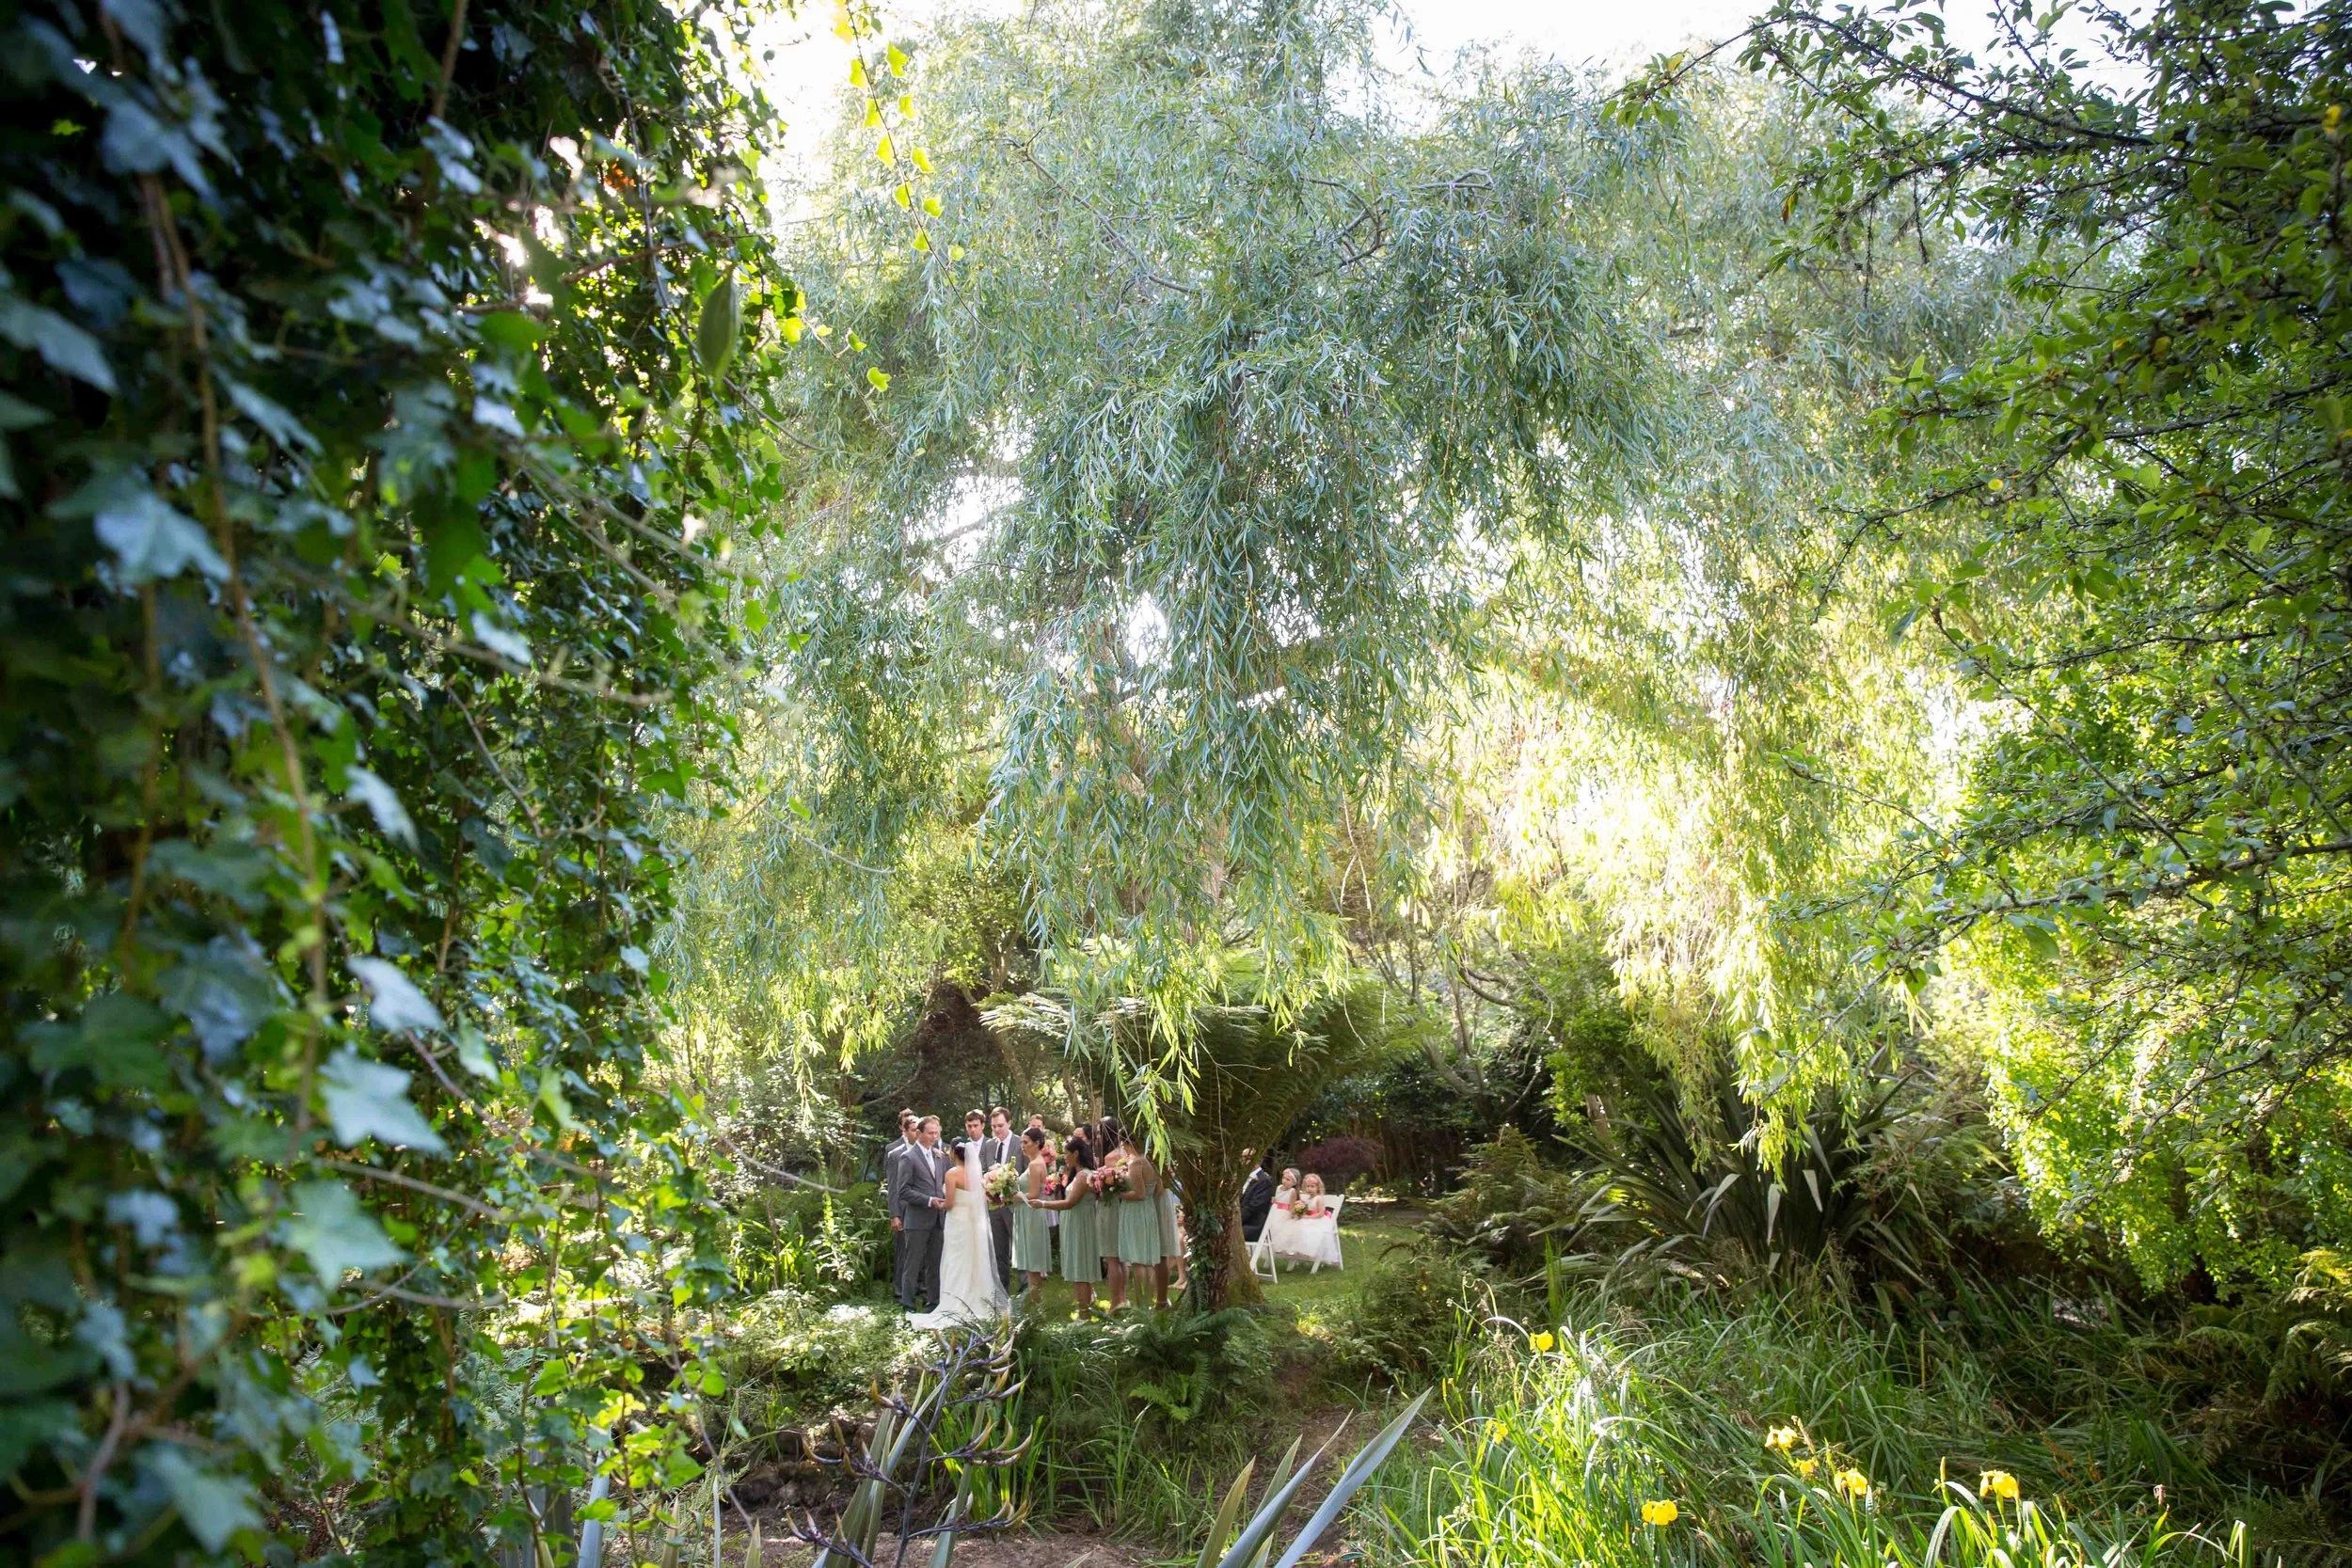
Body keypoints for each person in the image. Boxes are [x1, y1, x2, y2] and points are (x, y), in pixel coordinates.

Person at [907, 1135, 1010, 1329]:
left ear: (954, 1152)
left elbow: (950, 1203)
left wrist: (938, 1203)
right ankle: (977, 1298)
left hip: (957, 1223)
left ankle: (955, 1300)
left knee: (955, 1260)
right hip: (972, 1223)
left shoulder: (952, 1174)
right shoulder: (977, 1174)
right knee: (973, 1260)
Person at [1031, 1132, 1103, 1314]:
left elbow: (1070, 1203)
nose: (1064, 1156)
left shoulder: (1083, 1176)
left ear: (1076, 1153)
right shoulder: (1075, 1174)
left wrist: (1043, 1204)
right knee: (1076, 1269)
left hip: (1081, 1223)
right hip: (1073, 1222)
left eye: (1066, 1152)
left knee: (1081, 1269)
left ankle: (1084, 1313)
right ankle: (1083, 1309)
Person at [895, 1117, 950, 1310]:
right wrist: (928, 1201)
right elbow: (903, 1190)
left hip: (938, 1220)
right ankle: (907, 1304)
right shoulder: (908, 1157)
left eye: (937, 1133)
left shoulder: (940, 1156)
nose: (934, 1137)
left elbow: (943, 1184)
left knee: (934, 1264)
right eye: (930, 1133)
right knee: (913, 1264)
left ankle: (933, 1303)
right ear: (919, 1133)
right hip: (917, 1220)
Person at [1113, 1129, 1168, 1310]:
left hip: (1136, 1212)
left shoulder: (1136, 1163)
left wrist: (1118, 1193)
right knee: (1148, 1260)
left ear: (1128, 1142)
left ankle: (1140, 1306)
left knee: (1138, 1260)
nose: (1122, 1146)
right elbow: (1158, 1190)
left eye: (1123, 1142)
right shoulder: (1150, 1161)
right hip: (1149, 1211)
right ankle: (1147, 1303)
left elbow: (1139, 1193)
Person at [1009, 1125, 1056, 1306]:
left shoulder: (1036, 1165)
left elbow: (1034, 1193)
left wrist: (1012, 1197)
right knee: (1030, 1264)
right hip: (1027, 1214)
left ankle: (1037, 1305)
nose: (1022, 1145)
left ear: (1037, 1143)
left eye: (1026, 1142)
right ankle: (1035, 1303)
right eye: (1021, 1142)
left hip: (1032, 1215)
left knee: (1033, 1263)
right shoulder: (1033, 1163)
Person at [978, 1107, 1020, 1289]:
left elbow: (1026, 1173)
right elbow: (982, 1170)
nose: (997, 1130)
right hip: (994, 1206)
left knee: (1019, 1248)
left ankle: (1025, 1288)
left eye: (1000, 1125)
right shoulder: (988, 1145)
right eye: (994, 1126)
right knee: (998, 1250)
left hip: (1014, 1204)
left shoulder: (1020, 1143)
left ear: (1009, 1123)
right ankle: (1002, 1289)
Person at [1270, 1172, 1343, 1272]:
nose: (1309, 1189)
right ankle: (1293, 1251)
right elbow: (1301, 1208)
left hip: (1317, 1219)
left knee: (1304, 1229)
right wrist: (1300, 1209)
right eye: (1308, 1186)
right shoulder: (1305, 1198)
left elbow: (1321, 1213)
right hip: (1306, 1217)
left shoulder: (1319, 1199)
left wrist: (1308, 1217)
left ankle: (1306, 1252)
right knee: (1291, 1226)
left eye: (1312, 1186)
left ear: (1318, 1187)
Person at [883, 1110, 921, 1303]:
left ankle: (918, 1289)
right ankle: (899, 1291)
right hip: (903, 1210)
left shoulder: (925, 1151)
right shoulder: (895, 1154)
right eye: (914, 1130)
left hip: (920, 1210)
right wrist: (894, 1214)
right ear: (904, 1131)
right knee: (902, 1252)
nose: (917, 1133)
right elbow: (892, 1187)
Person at [1239, 1154, 1276, 1243]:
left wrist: (1237, 1220)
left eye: (1245, 1158)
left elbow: (1255, 1206)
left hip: (1252, 1224)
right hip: (1241, 1220)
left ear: (1255, 1161)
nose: (1241, 1161)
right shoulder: (1243, 1177)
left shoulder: (1264, 1181)